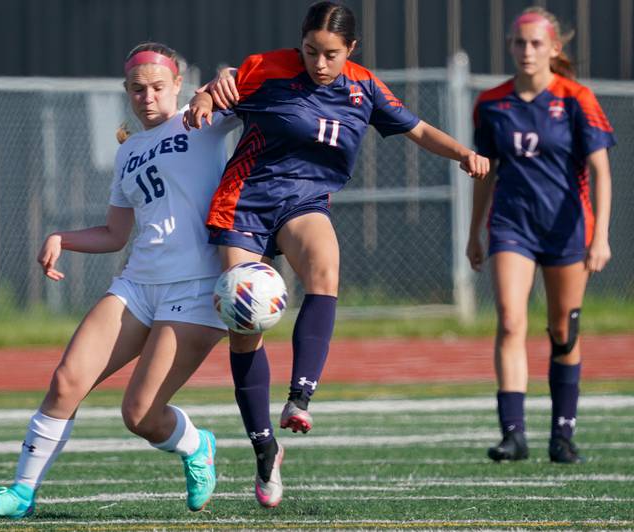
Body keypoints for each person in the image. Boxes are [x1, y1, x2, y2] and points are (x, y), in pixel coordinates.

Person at [184, 1, 489, 508]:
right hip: (245, 203)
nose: (318, 64)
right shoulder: (267, 68)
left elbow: (418, 130)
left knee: (326, 267)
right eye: (310, 52)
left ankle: (300, 397)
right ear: (299, 43)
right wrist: (204, 96)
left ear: (351, 50)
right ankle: (264, 448)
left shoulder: (365, 87)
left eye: (330, 54)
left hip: (304, 201)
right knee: (245, 324)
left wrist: (463, 154)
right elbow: (219, 95)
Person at [0, 42, 241, 519]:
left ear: (178, 84)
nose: (147, 97)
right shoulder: (128, 149)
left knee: (140, 416)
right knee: (67, 380)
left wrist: (223, 83)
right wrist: (61, 237)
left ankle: (197, 444)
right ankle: (20, 493)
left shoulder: (207, 121)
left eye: (158, 87)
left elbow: (258, 85)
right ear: (126, 92)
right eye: (137, 89)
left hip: (196, 287)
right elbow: (115, 234)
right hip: (138, 283)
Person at [469, 7, 614, 464]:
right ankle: (513, 435)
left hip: (566, 227)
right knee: (511, 320)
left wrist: (601, 237)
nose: (526, 51)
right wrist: (476, 231)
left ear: (554, 48)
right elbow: (485, 173)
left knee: (562, 332)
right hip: (513, 226)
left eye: (536, 43)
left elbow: (600, 171)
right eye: (519, 43)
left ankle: (563, 435)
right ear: (510, 47)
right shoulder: (492, 103)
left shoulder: (576, 98)